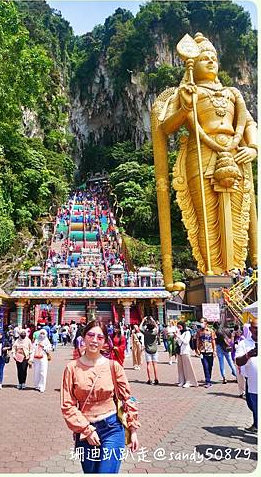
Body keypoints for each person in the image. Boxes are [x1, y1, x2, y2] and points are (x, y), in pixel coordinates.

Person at [152, 32, 257, 283]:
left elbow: (249, 122)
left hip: (234, 154)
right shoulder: (187, 92)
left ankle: (237, 270)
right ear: (192, 64)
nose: (211, 61)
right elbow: (166, 127)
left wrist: (253, 147)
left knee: (236, 215)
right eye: (204, 58)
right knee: (206, 218)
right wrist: (186, 107)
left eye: (214, 58)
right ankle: (211, 270)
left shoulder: (233, 93)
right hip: (201, 155)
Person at [61, 320, 140, 473]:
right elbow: (67, 405)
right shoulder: (71, 368)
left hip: (112, 427)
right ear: (83, 337)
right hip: (85, 429)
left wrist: (133, 430)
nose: (94, 340)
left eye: (100, 337)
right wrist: (87, 430)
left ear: (105, 342)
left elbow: (127, 398)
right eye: (91, 335)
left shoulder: (113, 366)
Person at [235, 318, 257, 432]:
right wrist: (248, 355)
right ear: (250, 329)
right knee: (251, 404)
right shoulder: (244, 343)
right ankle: (256, 423)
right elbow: (238, 361)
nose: (258, 330)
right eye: (256, 328)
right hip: (252, 383)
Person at [174, 321, 199, 388]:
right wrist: (176, 337)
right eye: (178, 326)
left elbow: (186, 342)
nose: (179, 328)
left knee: (187, 367)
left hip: (185, 351)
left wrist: (179, 336)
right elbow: (179, 343)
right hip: (180, 352)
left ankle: (189, 381)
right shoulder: (180, 333)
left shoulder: (187, 332)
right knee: (180, 367)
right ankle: (182, 381)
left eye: (180, 326)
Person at [195, 318, 217, 388]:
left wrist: (214, 351)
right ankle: (207, 381)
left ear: (206, 323)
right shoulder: (199, 331)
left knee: (210, 366)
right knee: (205, 366)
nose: (201, 323)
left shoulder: (211, 331)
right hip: (202, 351)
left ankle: (209, 379)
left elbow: (213, 341)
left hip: (210, 350)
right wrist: (197, 349)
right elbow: (197, 340)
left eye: (202, 322)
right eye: (200, 322)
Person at [141, 317, 159, 385]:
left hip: (148, 350)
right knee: (155, 364)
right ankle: (156, 379)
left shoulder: (145, 332)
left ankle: (149, 379)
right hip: (155, 350)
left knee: (149, 364)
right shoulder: (154, 333)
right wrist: (153, 320)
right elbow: (157, 327)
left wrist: (143, 320)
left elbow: (140, 328)